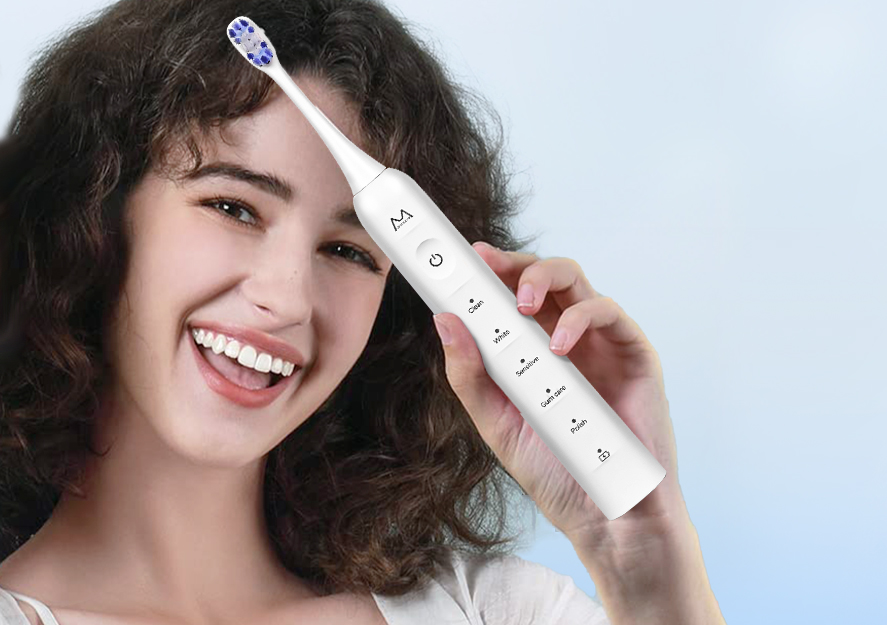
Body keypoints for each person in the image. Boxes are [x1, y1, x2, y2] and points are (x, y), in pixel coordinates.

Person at [0, 1, 724, 623]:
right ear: (94, 218)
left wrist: (643, 546)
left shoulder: (496, 611)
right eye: (232, 207)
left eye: (350, 252)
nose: (286, 298)